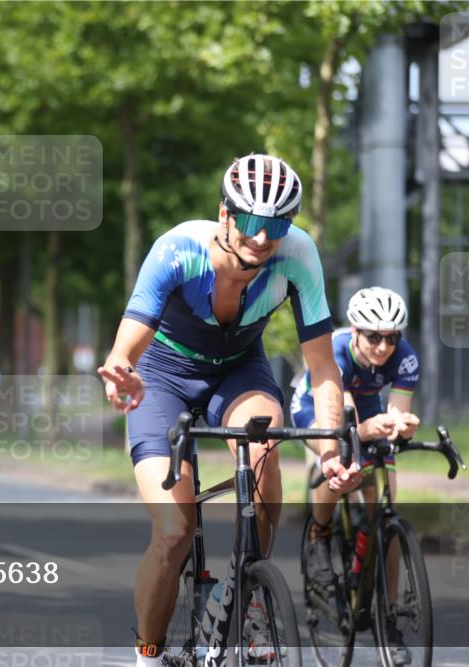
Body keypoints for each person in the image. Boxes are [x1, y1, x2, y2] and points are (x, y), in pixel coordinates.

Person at [97, 154, 362, 666]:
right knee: (174, 534)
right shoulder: (177, 249)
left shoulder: (299, 255)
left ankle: (245, 592)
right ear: (225, 214)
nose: (263, 238)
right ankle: (148, 654)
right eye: (252, 222)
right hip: (162, 377)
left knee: (265, 446)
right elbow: (126, 346)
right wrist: (121, 370)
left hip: (239, 371)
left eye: (278, 225)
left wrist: (329, 451)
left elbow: (323, 367)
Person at [290, 286, 419, 664]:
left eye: (392, 337)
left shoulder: (405, 358)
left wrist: (402, 426)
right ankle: (320, 532)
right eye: (375, 336)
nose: (383, 346)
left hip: (365, 405)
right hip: (320, 406)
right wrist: (363, 432)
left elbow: (396, 414)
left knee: (386, 504)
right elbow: (345, 425)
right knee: (341, 459)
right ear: (356, 330)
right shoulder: (338, 350)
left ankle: (389, 616)